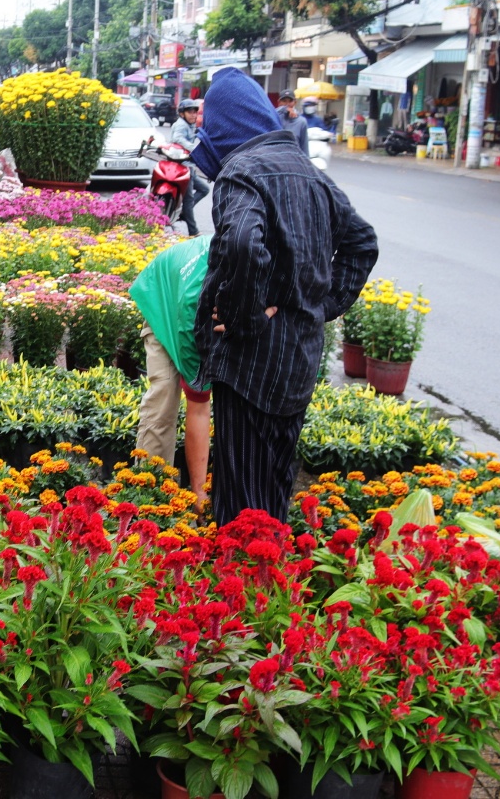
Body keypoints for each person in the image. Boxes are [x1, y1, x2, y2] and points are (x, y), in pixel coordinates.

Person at [188, 67, 378, 526]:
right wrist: (316, 307)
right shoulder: (307, 171)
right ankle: (268, 580)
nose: (202, 128)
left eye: (208, 120)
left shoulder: (241, 172)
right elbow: (361, 243)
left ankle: (246, 584)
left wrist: (244, 320)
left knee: (240, 497)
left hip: (253, 362)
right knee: (273, 480)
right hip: (298, 355)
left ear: (227, 124)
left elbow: (240, 244)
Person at [129, 234, 213, 506]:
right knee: (164, 392)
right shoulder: (193, 301)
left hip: (193, 301)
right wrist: (199, 494)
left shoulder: (256, 264)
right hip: (164, 304)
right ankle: (149, 489)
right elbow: (198, 403)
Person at [169, 99, 211, 236]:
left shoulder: (190, 125)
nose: (193, 115)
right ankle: (193, 231)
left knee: (204, 189)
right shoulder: (181, 125)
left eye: (195, 112)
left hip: (188, 167)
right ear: (182, 114)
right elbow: (177, 138)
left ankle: (184, 213)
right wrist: (194, 149)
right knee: (188, 199)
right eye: (190, 112)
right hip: (183, 168)